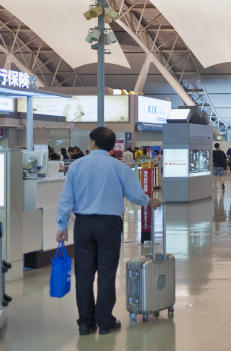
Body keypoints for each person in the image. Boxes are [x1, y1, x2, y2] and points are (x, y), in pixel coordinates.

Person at [56, 127, 162, 336]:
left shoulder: (77, 166)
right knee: (106, 273)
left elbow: (66, 199)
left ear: (92, 143)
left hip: (83, 225)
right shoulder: (119, 167)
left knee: (84, 275)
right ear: (113, 146)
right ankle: (105, 321)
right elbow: (135, 194)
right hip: (110, 225)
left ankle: (85, 323)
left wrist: (61, 226)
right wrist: (151, 201)